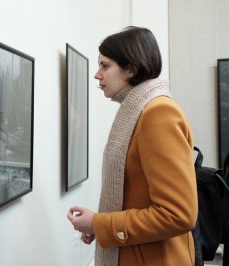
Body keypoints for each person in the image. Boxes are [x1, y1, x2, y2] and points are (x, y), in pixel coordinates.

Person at [67, 26, 197, 265]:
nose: (97, 74)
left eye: (105, 65)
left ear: (131, 69)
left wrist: (100, 223)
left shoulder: (158, 114)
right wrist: (100, 226)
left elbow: (177, 215)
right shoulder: (138, 112)